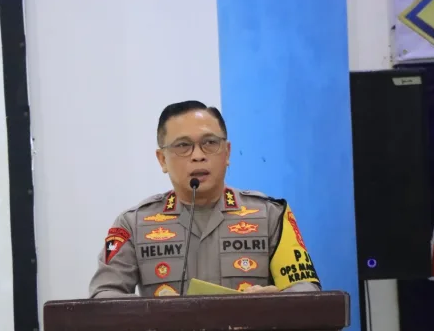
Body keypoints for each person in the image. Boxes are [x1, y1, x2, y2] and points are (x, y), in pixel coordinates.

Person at [89, 101, 321, 298]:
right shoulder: (132, 224)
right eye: (183, 146)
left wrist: (275, 302)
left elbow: (306, 290)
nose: (198, 156)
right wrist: (151, 312)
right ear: (162, 159)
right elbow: (103, 295)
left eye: (210, 143)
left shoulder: (271, 215)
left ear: (227, 153)